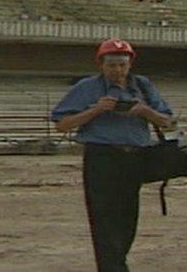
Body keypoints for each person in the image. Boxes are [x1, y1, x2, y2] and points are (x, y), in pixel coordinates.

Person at [50, 38, 175, 272]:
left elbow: (168, 121)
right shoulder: (87, 87)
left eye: (122, 65)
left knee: (128, 218)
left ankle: (116, 262)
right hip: (102, 157)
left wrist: (145, 111)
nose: (117, 71)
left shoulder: (143, 86)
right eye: (112, 65)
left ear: (130, 65)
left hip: (135, 157)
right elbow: (61, 124)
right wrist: (95, 110)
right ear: (101, 65)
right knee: (103, 218)